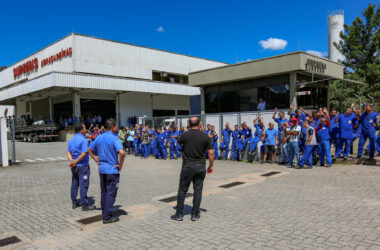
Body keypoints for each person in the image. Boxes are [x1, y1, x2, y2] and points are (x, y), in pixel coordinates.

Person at [171, 117, 214, 221]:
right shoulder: (205, 136)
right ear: (199, 124)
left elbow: (179, 143)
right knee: (198, 190)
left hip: (187, 166)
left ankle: (179, 214)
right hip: (200, 166)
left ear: (189, 125)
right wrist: (210, 166)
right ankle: (195, 214)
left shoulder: (184, 135)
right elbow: (211, 153)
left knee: (182, 190)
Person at [88, 119, 126, 224]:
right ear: (113, 127)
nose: (117, 127)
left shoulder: (99, 137)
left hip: (102, 170)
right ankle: (107, 217)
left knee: (104, 192)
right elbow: (122, 153)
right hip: (112, 170)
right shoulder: (115, 138)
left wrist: (97, 160)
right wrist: (120, 166)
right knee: (111, 193)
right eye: (116, 126)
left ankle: (105, 212)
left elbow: (89, 150)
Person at [67, 124, 96, 211]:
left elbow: (68, 153)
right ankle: (85, 205)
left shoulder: (71, 140)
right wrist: (75, 162)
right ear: (81, 131)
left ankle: (74, 203)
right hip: (82, 167)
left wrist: (72, 161)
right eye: (84, 128)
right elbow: (83, 154)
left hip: (74, 167)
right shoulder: (84, 140)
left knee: (74, 184)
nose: (86, 130)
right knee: (84, 185)